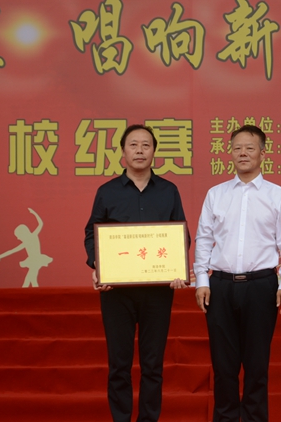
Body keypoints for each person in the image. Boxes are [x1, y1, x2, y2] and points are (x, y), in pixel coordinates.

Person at [84, 124, 190, 422]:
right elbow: (92, 234)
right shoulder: (107, 192)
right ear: (123, 151)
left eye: (146, 145)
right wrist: (98, 266)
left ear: (154, 151)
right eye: (133, 145)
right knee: (119, 364)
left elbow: (181, 236)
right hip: (116, 292)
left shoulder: (169, 191)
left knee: (153, 365)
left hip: (158, 291)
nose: (140, 150)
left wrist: (177, 268)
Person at [194, 124, 281, 422]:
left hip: (261, 286)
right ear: (230, 153)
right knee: (223, 366)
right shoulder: (216, 194)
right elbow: (204, 239)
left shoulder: (279, 196)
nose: (243, 153)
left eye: (250, 148)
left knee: (256, 366)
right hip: (220, 286)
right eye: (237, 148)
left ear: (263, 154)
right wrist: (201, 279)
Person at [0, 208, 53, 288]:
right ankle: (31, 293)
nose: (18, 239)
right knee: (32, 279)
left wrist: (34, 213)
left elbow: (12, 250)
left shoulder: (29, 240)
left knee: (30, 279)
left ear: (23, 234)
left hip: (35, 261)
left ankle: (27, 293)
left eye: (18, 236)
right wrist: (34, 213)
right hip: (35, 261)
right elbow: (40, 224)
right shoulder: (32, 237)